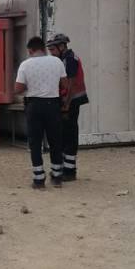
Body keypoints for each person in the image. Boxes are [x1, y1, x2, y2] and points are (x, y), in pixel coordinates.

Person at [14, 36, 67, 189]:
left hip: (34, 105)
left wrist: (31, 86)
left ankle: (39, 179)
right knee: (55, 140)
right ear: (43, 48)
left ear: (30, 50)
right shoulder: (56, 62)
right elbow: (65, 84)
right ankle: (57, 177)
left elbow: (18, 89)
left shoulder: (25, 64)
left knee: (35, 142)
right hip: (53, 105)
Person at [46, 33, 89, 181]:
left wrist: (66, 104)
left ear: (62, 46)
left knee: (69, 134)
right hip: (67, 100)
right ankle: (66, 167)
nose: (51, 52)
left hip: (71, 101)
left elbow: (70, 84)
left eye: (52, 49)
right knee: (64, 134)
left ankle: (70, 171)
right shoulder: (63, 58)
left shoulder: (70, 59)